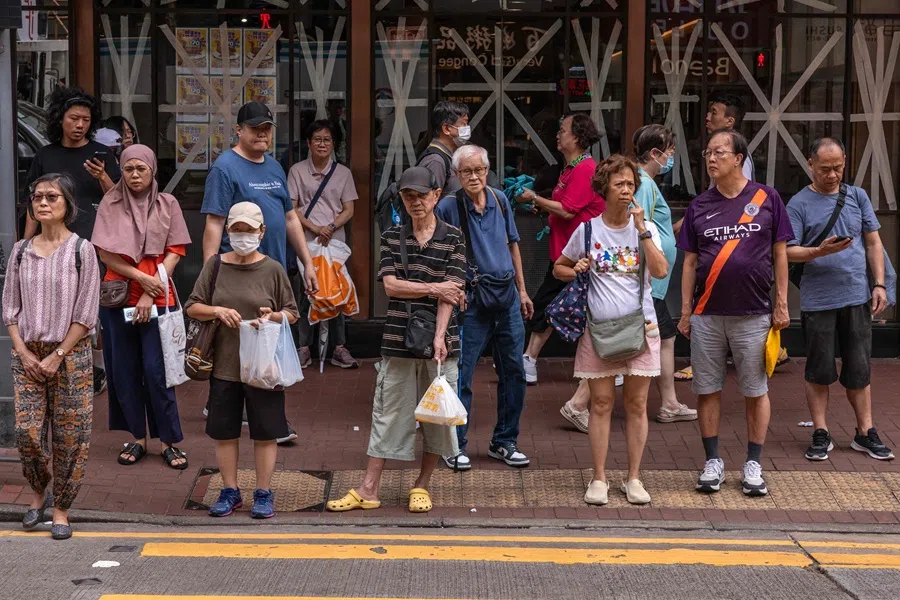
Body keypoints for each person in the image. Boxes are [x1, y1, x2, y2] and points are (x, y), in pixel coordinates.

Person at [326, 166, 466, 514]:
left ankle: (422, 485)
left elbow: (454, 291)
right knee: (388, 413)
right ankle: (368, 488)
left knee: (436, 416)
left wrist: (439, 336)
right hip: (396, 339)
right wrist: (433, 287)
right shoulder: (391, 236)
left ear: (436, 196)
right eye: (408, 196)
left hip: (441, 343)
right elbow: (391, 286)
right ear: (401, 199)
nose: (416, 202)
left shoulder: (454, 237)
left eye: (422, 195)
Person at [677, 130, 793, 497]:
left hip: (754, 313)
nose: (711, 159)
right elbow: (690, 262)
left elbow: (780, 254)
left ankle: (753, 464)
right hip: (707, 314)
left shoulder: (767, 198)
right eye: (707, 153)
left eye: (719, 152)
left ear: (739, 157)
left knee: (755, 390)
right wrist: (684, 312)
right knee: (707, 388)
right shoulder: (699, 205)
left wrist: (782, 303)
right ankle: (712, 462)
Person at [553, 155, 668, 506]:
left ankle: (633, 478)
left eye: (631, 183)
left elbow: (661, 271)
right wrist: (577, 269)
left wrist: (643, 230)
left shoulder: (644, 228)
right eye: (619, 183)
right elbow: (559, 267)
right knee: (601, 403)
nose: (626, 189)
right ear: (604, 188)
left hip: (641, 328)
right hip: (599, 331)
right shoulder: (588, 230)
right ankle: (599, 477)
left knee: (636, 403)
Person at [200, 101, 317, 444]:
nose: (263, 134)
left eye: (267, 128)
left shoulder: (275, 168)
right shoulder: (224, 168)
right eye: (255, 128)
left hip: (271, 272)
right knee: (245, 345)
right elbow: (214, 223)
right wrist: (212, 273)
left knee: (267, 343)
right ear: (239, 131)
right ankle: (269, 421)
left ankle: (240, 409)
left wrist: (307, 261)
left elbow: (291, 217)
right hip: (237, 274)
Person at [185, 202, 300, 519]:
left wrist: (273, 315)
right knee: (225, 432)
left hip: (263, 367)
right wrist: (217, 311)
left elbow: (291, 312)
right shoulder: (216, 266)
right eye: (237, 229)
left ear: (262, 232)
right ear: (228, 231)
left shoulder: (273, 269)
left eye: (249, 230)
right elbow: (193, 306)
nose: (243, 235)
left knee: (265, 432)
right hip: (224, 365)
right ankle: (230, 490)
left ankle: (263, 492)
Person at [3, 173, 101, 540]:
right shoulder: (20, 252)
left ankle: (60, 508)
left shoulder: (82, 250)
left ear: (68, 205)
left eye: (52, 197)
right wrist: (25, 353)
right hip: (28, 353)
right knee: (27, 433)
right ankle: (37, 493)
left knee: (70, 435)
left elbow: (86, 312)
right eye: (37, 197)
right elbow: (10, 308)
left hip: (70, 354)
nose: (42, 203)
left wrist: (59, 354)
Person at [786, 137, 894, 461]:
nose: (832, 175)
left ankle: (865, 432)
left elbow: (874, 243)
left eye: (838, 167)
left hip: (856, 295)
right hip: (818, 299)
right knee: (819, 369)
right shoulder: (798, 204)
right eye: (825, 169)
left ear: (844, 161)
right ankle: (821, 431)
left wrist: (879, 284)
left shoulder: (857, 196)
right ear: (810, 165)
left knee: (859, 368)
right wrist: (820, 251)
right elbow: (788, 251)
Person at [92, 145, 192, 470]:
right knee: (124, 371)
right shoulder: (110, 202)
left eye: (141, 169)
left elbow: (175, 252)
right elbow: (106, 254)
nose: (135, 175)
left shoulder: (168, 204)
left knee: (157, 370)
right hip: (119, 298)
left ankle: (169, 442)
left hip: (157, 299)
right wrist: (140, 279)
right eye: (129, 169)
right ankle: (137, 438)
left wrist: (152, 290)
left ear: (152, 171)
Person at [435, 145, 534, 470]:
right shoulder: (449, 206)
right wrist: (454, 286)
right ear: (457, 175)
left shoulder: (500, 199)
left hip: (505, 297)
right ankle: (454, 445)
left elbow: (512, 245)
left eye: (479, 170)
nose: (474, 177)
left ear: (487, 170)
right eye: (467, 172)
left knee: (514, 372)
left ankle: (504, 442)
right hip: (472, 301)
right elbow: (442, 254)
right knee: (461, 374)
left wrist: (522, 290)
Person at [23, 87, 121, 397]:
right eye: (74, 118)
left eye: (86, 120)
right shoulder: (46, 154)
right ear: (60, 119)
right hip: (49, 244)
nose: (80, 125)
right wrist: (24, 245)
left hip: (92, 242)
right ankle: (58, 362)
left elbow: (118, 200)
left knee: (92, 306)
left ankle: (97, 368)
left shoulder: (101, 154)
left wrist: (103, 176)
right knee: (56, 303)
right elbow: (32, 204)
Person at [516, 114, 606, 385]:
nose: (558, 134)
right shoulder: (570, 168)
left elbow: (567, 210)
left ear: (577, 137)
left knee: (548, 303)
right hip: (565, 253)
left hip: (579, 258)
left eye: (562, 130)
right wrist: (540, 205)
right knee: (558, 304)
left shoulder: (586, 169)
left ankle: (529, 360)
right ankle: (530, 359)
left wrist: (534, 197)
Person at [287, 119, 359, 370]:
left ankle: (339, 348)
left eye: (327, 139)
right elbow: (292, 208)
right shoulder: (297, 171)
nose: (322, 144)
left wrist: (330, 227)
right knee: (308, 291)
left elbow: (349, 208)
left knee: (337, 291)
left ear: (334, 144)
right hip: (306, 240)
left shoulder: (343, 173)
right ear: (308, 143)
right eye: (317, 139)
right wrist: (315, 228)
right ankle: (304, 347)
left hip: (334, 242)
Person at [418, 100, 471, 194]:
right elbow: (429, 203)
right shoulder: (436, 161)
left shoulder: (447, 157)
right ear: (446, 129)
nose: (467, 128)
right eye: (464, 124)